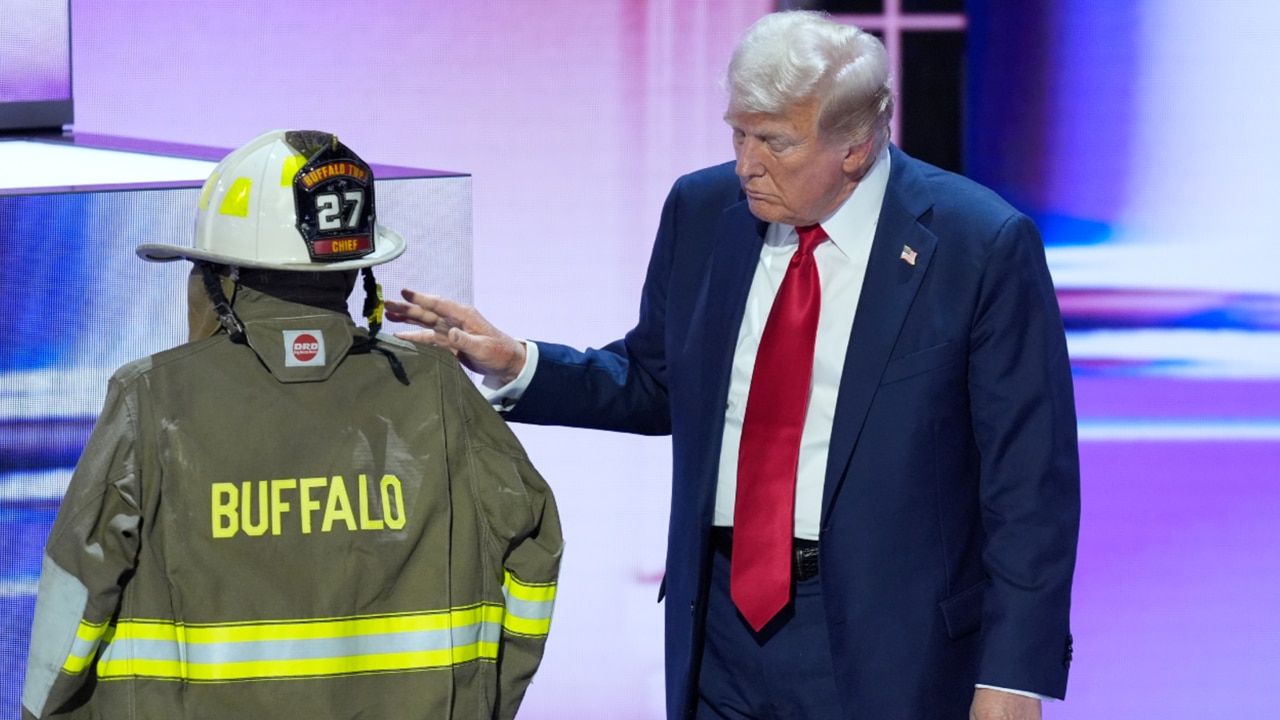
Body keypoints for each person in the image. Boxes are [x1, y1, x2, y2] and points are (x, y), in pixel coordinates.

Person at [388, 10, 1079, 720]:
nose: (747, 162)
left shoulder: (978, 245)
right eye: (738, 132)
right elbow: (655, 381)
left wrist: (1011, 673)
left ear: (855, 145)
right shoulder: (705, 208)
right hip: (719, 626)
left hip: (889, 643)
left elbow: (1029, 482)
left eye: (775, 142)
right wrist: (518, 362)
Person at [21, 130, 563, 720]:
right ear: (358, 275)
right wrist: (481, 701)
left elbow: (76, 591)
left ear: (221, 278)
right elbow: (535, 548)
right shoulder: (437, 389)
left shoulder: (149, 398)